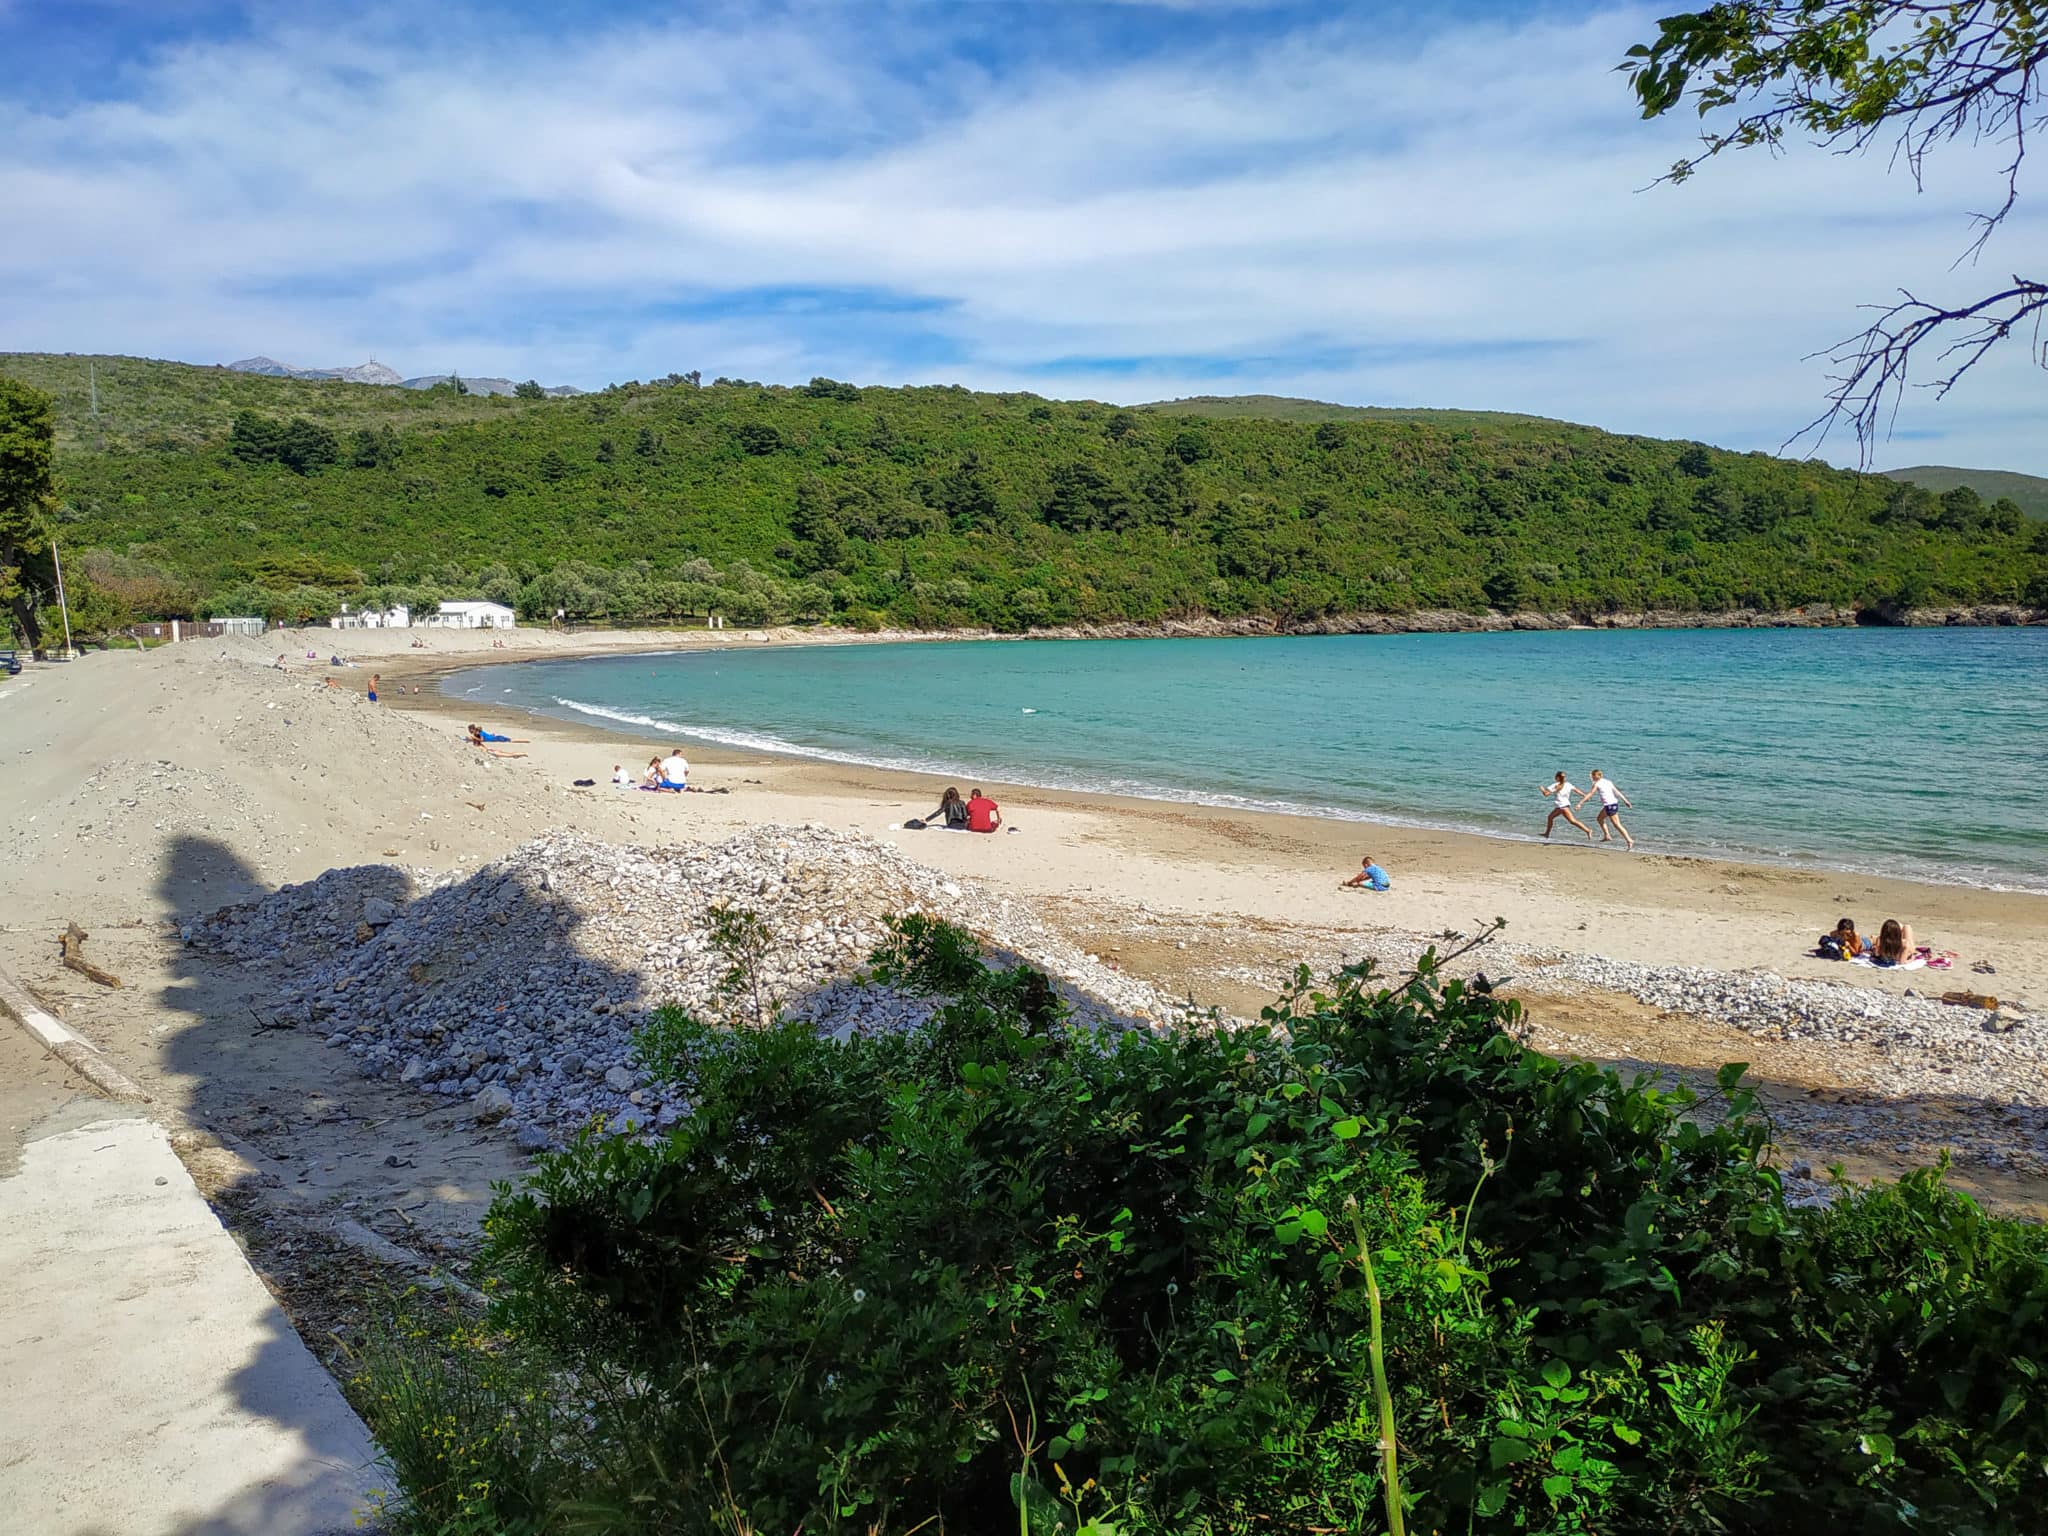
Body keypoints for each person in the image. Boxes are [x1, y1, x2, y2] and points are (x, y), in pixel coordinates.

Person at [1576, 769, 1634, 850]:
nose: (1592, 777)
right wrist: (1625, 801)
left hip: (1610, 805)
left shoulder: (1597, 784)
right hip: (1611, 804)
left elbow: (1591, 793)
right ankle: (1607, 835)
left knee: (1617, 825)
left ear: (1598, 776)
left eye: (1593, 775)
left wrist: (1580, 803)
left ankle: (1629, 840)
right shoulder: (1607, 781)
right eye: (1592, 775)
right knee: (1600, 818)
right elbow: (1617, 792)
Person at [1538, 771, 1592, 840]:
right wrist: (1584, 795)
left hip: (1562, 807)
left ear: (1557, 777)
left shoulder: (1556, 785)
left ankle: (1588, 830)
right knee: (1551, 817)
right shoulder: (1568, 784)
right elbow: (1576, 790)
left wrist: (1542, 789)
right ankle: (1547, 833)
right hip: (1563, 806)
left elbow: (1546, 794)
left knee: (1572, 821)